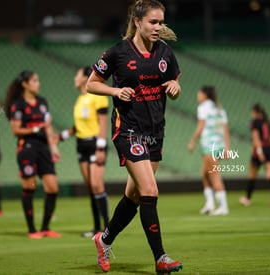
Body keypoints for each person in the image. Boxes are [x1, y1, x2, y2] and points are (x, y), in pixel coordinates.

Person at [86, 0, 183, 274]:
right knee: (150, 191)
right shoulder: (117, 53)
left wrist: (176, 87)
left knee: (135, 196)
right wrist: (116, 92)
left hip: (155, 133)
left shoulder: (165, 52)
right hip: (128, 132)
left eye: (161, 21)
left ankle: (103, 240)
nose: (158, 27)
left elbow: (175, 80)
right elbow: (90, 83)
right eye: (153, 21)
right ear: (137, 22)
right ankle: (161, 258)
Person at [4, 70, 62, 239]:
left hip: (44, 148)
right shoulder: (18, 105)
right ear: (25, 84)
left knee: (52, 188)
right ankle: (31, 230)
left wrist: (53, 148)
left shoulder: (42, 102)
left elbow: (48, 126)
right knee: (29, 186)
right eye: (35, 80)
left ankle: (45, 228)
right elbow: (16, 130)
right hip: (27, 147)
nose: (38, 83)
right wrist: (36, 128)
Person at [58, 66, 110, 238]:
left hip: (95, 143)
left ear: (85, 77)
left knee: (97, 185)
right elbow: (79, 126)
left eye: (77, 75)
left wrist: (101, 147)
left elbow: (103, 123)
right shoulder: (80, 99)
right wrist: (62, 136)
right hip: (81, 144)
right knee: (90, 187)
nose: (75, 78)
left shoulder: (98, 96)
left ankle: (108, 228)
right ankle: (97, 228)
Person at [188, 86, 230, 216]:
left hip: (209, 145)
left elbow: (201, 126)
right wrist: (227, 147)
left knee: (213, 175)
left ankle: (223, 207)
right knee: (205, 174)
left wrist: (192, 141)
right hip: (219, 145)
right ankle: (210, 204)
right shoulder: (219, 108)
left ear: (205, 95)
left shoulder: (203, 107)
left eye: (199, 93)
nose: (198, 95)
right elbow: (226, 129)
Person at [239, 103, 270, 207]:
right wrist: (268, 146)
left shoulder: (254, 123)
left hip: (259, 151)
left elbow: (256, 138)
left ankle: (247, 199)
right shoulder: (267, 122)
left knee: (252, 175)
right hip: (269, 149)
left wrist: (260, 151)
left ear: (255, 112)